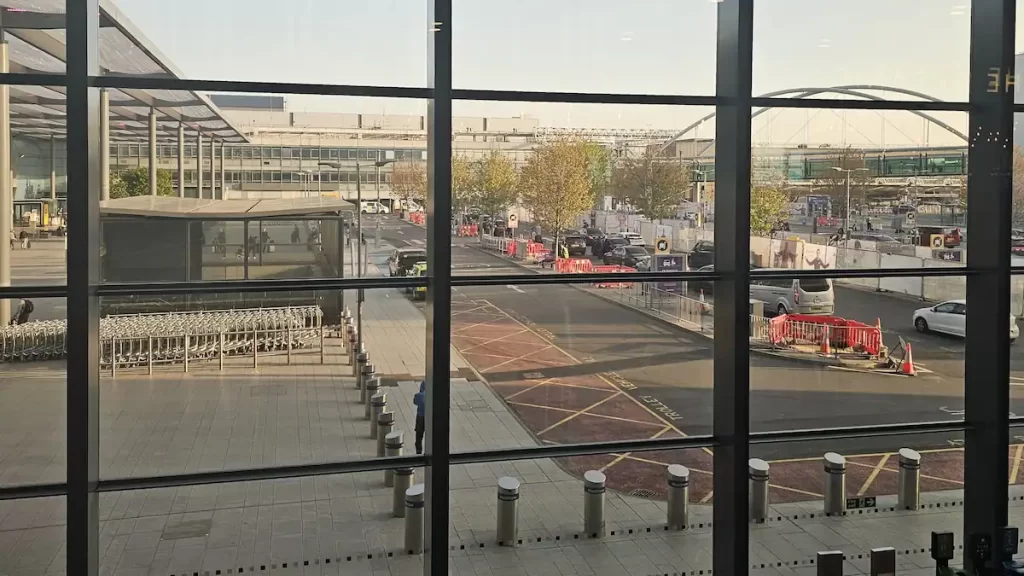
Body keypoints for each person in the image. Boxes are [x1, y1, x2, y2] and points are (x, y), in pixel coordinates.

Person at [413, 380, 426, 454]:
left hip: (420, 417)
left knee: (419, 437)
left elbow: (415, 402)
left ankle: (418, 452)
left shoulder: (418, 396)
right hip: (430, 417)